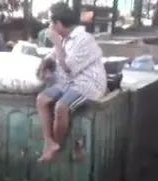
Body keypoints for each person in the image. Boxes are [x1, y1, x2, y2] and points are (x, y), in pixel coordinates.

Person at [35, 2, 106, 162]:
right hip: (69, 82)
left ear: (58, 23)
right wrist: (45, 64)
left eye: (50, 22)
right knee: (42, 99)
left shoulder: (83, 39)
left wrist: (57, 44)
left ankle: (56, 145)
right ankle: (49, 142)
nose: (49, 26)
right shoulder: (66, 38)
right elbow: (54, 56)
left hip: (88, 84)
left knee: (61, 106)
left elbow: (68, 68)